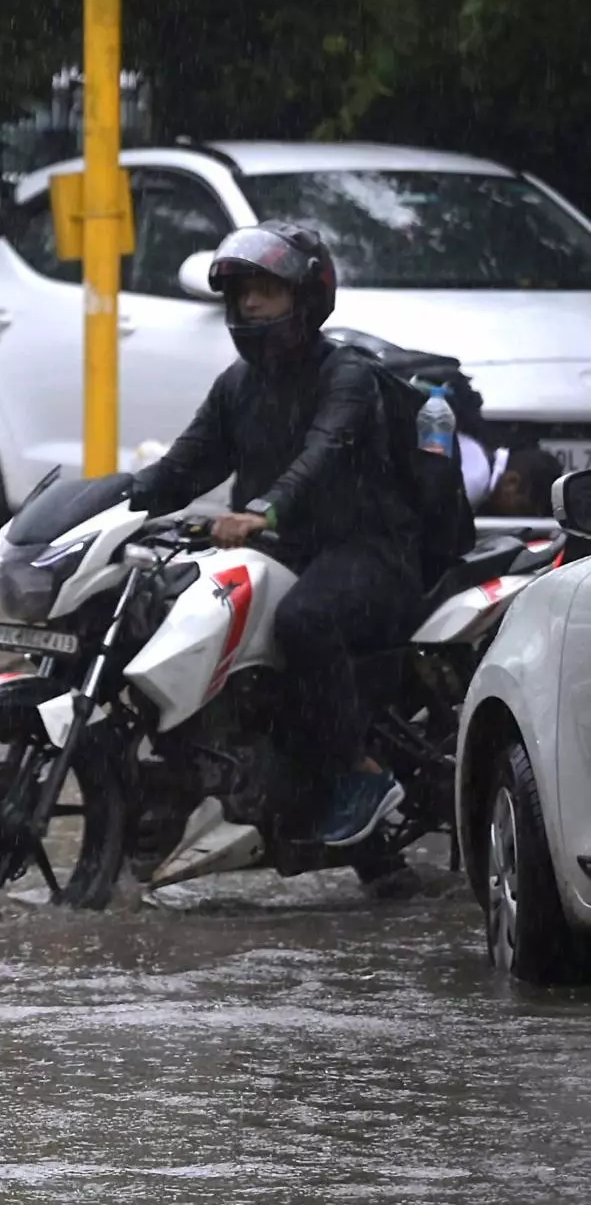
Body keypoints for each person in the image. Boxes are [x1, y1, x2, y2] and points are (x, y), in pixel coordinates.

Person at [129, 220, 420, 849]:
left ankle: (358, 773)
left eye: (268, 290)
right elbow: (182, 468)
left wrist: (264, 510)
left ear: (307, 298)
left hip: (371, 552)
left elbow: (323, 454)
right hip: (281, 554)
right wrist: (108, 503)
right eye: (242, 292)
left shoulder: (346, 376)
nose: (251, 303)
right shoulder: (238, 386)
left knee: (302, 621)